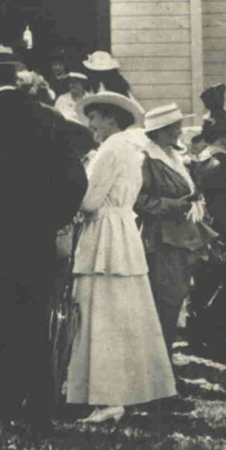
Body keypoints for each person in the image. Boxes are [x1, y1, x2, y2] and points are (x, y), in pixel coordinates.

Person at [0, 46, 87, 432]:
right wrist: (49, 219)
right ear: (12, 75)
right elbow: (77, 181)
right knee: (35, 320)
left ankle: (4, 406)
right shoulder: (48, 117)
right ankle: (39, 408)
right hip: (35, 237)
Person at [66, 91, 176, 423]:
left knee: (101, 316)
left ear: (111, 118)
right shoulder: (132, 149)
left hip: (105, 235)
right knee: (126, 316)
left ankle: (108, 399)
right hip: (123, 232)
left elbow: (88, 201)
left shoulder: (110, 150)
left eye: (95, 118)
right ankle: (128, 393)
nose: (91, 125)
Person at [135, 104, 216, 355]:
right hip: (160, 238)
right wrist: (174, 205)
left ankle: (163, 359)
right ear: (159, 131)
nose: (179, 133)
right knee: (165, 299)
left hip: (180, 237)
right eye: (174, 128)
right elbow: (138, 200)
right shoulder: (146, 159)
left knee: (175, 297)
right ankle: (159, 362)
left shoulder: (172, 156)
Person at [187, 84, 226, 353]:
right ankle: (213, 339)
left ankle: (197, 335)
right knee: (221, 282)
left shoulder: (200, 162)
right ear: (222, 137)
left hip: (203, 231)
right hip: (224, 233)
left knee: (203, 283)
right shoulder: (225, 166)